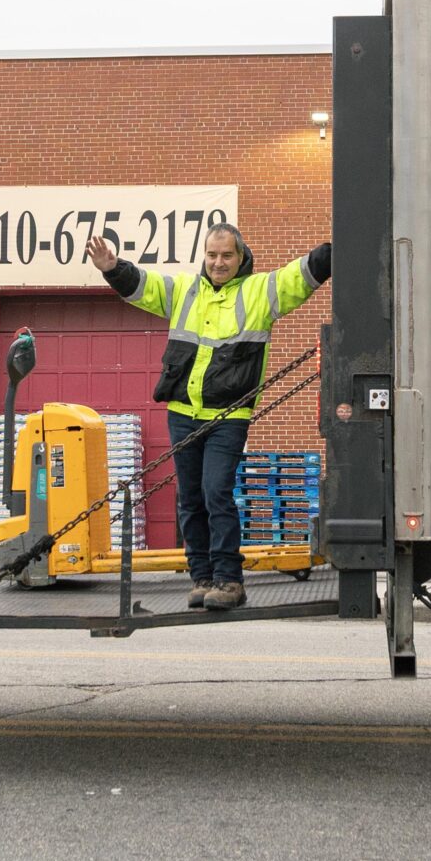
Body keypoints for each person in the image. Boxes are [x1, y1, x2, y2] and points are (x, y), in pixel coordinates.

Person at [85, 224, 329, 611]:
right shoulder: (184, 291)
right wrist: (112, 268)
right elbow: (143, 286)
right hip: (183, 414)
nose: (218, 262)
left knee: (216, 492)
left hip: (228, 416)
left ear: (240, 257)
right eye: (212, 255)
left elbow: (300, 275)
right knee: (191, 498)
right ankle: (201, 578)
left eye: (226, 255)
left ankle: (229, 581)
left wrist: (336, 247)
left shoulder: (259, 292)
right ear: (205, 256)